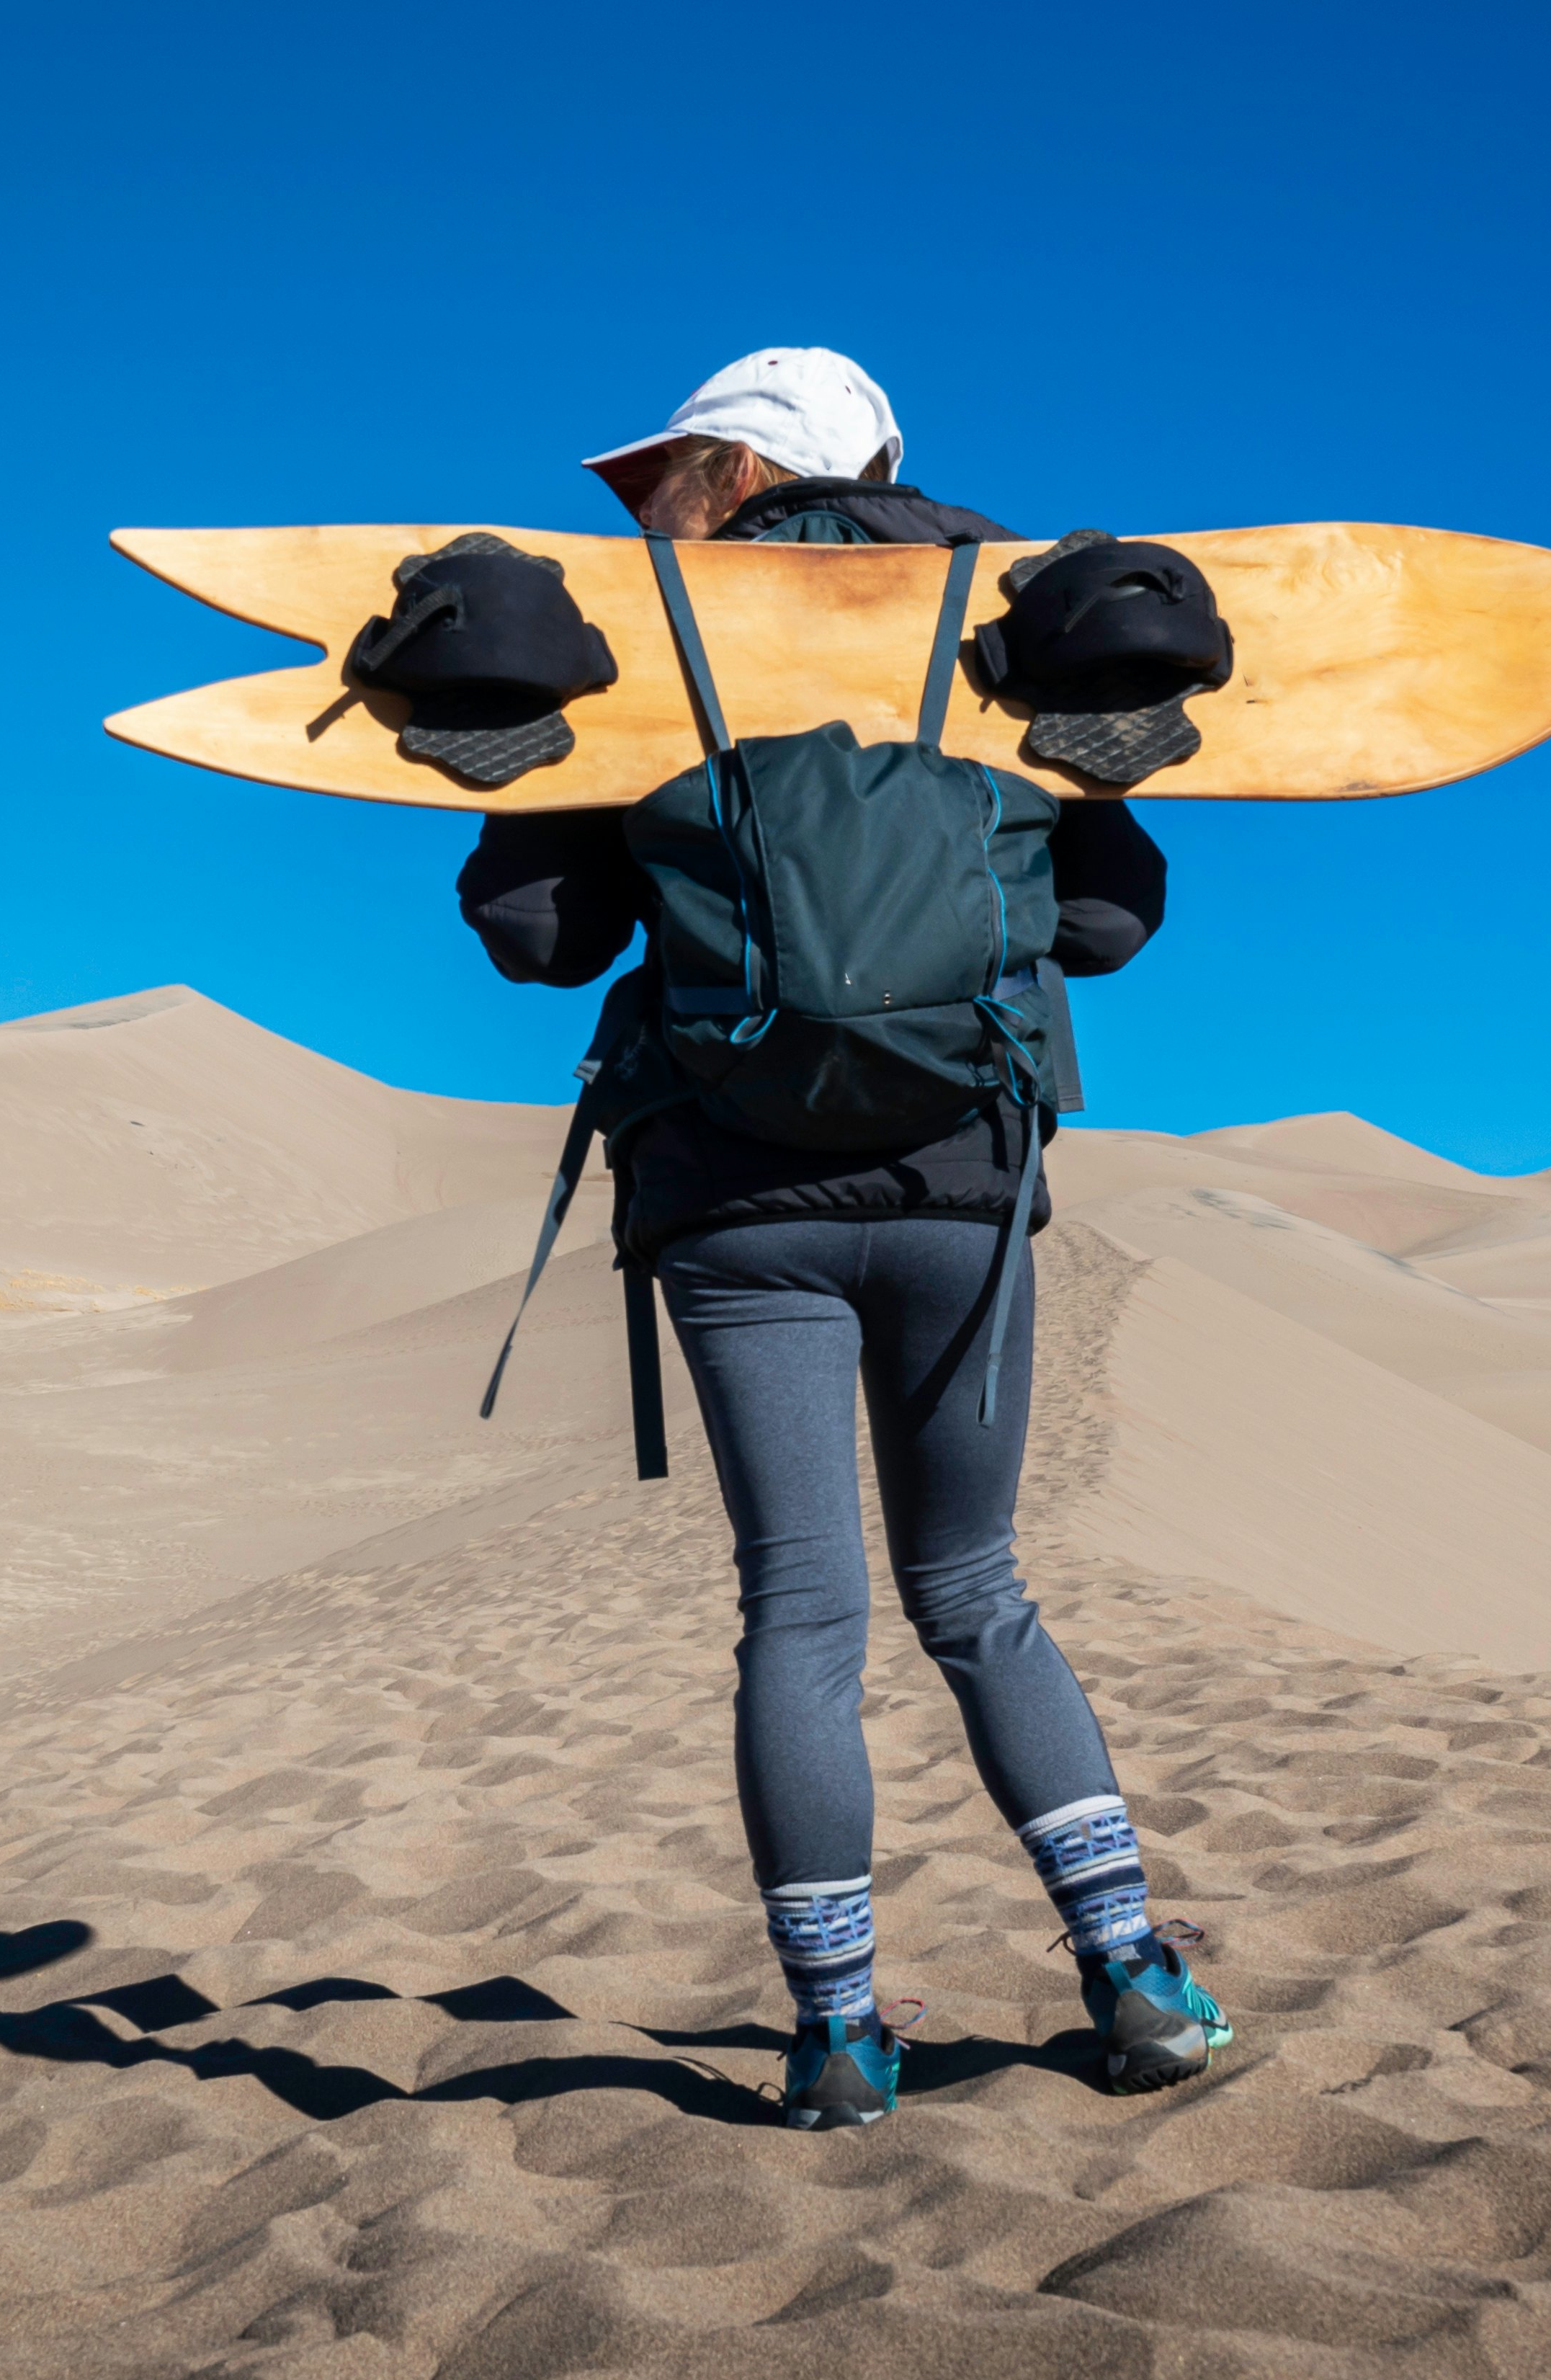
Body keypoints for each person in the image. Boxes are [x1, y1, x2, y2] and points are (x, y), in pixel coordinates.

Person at [459, 348, 1231, 2131]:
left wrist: (530, 774)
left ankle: (834, 2035)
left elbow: (534, 936)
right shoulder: (1009, 626)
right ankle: (1136, 1982)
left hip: (737, 1212)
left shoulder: (656, 638)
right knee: (973, 1592)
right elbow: (1110, 927)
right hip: (963, 1180)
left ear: (732, 468)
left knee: (799, 1614)